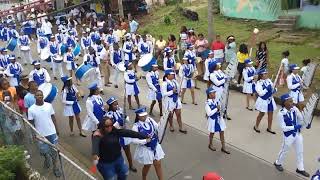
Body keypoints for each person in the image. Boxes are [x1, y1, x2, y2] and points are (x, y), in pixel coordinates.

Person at [274, 93, 310, 178]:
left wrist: (306, 124)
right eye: (290, 101)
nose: (292, 103)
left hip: (297, 133)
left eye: (292, 101)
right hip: (288, 135)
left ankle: (300, 168)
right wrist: (294, 126)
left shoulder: (294, 109)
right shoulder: (281, 114)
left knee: (300, 151)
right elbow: (283, 128)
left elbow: (301, 118)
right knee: (284, 150)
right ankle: (277, 162)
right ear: (284, 102)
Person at [28, 90, 61, 177]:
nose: (40, 96)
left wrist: (57, 130)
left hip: (52, 133)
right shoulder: (31, 109)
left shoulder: (49, 105)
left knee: (54, 152)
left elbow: (53, 117)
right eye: (38, 95)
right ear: (34, 97)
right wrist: (33, 134)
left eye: (41, 95)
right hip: (40, 135)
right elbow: (30, 123)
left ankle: (55, 167)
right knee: (43, 151)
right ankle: (46, 158)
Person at [105, 96, 137, 172]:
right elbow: (110, 128)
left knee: (127, 151)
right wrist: (118, 122)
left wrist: (125, 118)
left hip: (124, 134)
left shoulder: (120, 110)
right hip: (115, 136)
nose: (116, 106)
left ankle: (131, 165)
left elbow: (127, 119)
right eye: (114, 105)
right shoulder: (108, 115)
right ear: (110, 106)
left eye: (117, 104)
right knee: (117, 153)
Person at [132, 107, 165, 180]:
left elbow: (157, 127)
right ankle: (144, 177)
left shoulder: (150, 120)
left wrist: (164, 120)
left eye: (145, 115)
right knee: (147, 166)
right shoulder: (136, 126)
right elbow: (133, 141)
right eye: (142, 115)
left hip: (155, 145)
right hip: (146, 148)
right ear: (138, 116)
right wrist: (145, 141)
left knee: (158, 165)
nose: (145, 116)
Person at [161, 69, 187, 133]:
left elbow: (178, 89)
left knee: (178, 114)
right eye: (172, 74)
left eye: (173, 74)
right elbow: (163, 94)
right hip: (169, 101)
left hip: (176, 100)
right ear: (167, 75)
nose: (173, 75)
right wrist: (172, 91)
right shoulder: (164, 84)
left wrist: (179, 92)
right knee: (170, 115)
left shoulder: (175, 81)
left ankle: (180, 127)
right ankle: (171, 125)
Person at [205, 87, 230, 154]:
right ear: (209, 95)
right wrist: (217, 109)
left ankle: (223, 147)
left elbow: (220, 109)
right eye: (213, 93)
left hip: (219, 119)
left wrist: (221, 109)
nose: (215, 94)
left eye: (214, 93)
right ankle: (210, 144)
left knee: (222, 132)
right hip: (213, 120)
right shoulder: (207, 103)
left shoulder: (216, 101)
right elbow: (209, 113)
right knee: (212, 133)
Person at [254, 69, 277, 134]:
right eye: (265, 73)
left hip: (270, 100)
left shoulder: (269, 80)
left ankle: (269, 128)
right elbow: (260, 93)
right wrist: (267, 89)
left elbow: (273, 87)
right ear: (261, 75)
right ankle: (256, 126)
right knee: (262, 114)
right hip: (263, 100)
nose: (266, 74)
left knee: (270, 114)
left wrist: (274, 89)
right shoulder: (258, 83)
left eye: (266, 73)